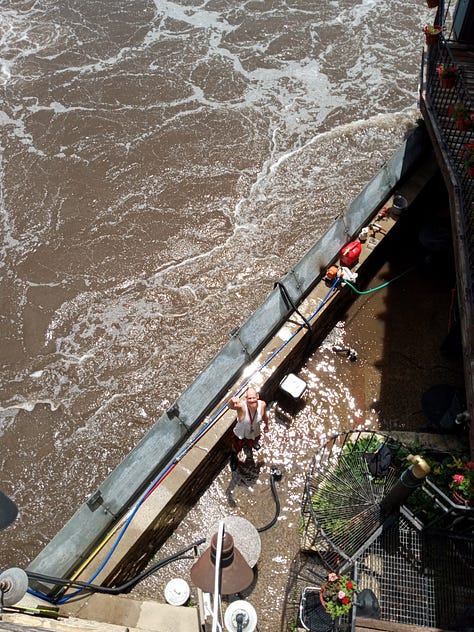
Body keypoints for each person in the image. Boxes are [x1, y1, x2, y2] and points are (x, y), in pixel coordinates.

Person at [228, 387, 269, 470]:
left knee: (253, 441)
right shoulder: (242, 407)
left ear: (257, 396)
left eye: (253, 397)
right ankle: (233, 459)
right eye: (249, 398)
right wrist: (231, 401)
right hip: (241, 433)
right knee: (236, 447)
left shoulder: (262, 404)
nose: (252, 400)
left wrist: (267, 425)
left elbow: (264, 415)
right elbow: (230, 406)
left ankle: (252, 445)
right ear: (246, 399)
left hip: (254, 431)